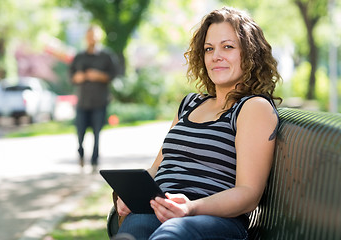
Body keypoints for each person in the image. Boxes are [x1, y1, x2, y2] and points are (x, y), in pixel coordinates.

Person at [113, 6, 282, 240]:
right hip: (162, 208)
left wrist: (190, 208)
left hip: (211, 219)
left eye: (228, 47)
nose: (216, 56)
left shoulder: (252, 107)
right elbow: (158, 167)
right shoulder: (190, 103)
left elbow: (248, 194)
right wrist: (131, 193)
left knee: (172, 233)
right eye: (209, 49)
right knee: (134, 232)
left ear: (250, 54)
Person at [70, 25, 118, 172]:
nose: (92, 38)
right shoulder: (79, 57)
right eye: (89, 35)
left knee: (97, 133)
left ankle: (95, 161)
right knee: (80, 133)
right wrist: (78, 77)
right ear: (86, 37)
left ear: (99, 37)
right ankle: (80, 154)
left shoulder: (107, 56)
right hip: (82, 102)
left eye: (94, 35)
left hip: (99, 101)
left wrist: (99, 76)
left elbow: (114, 74)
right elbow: (71, 76)